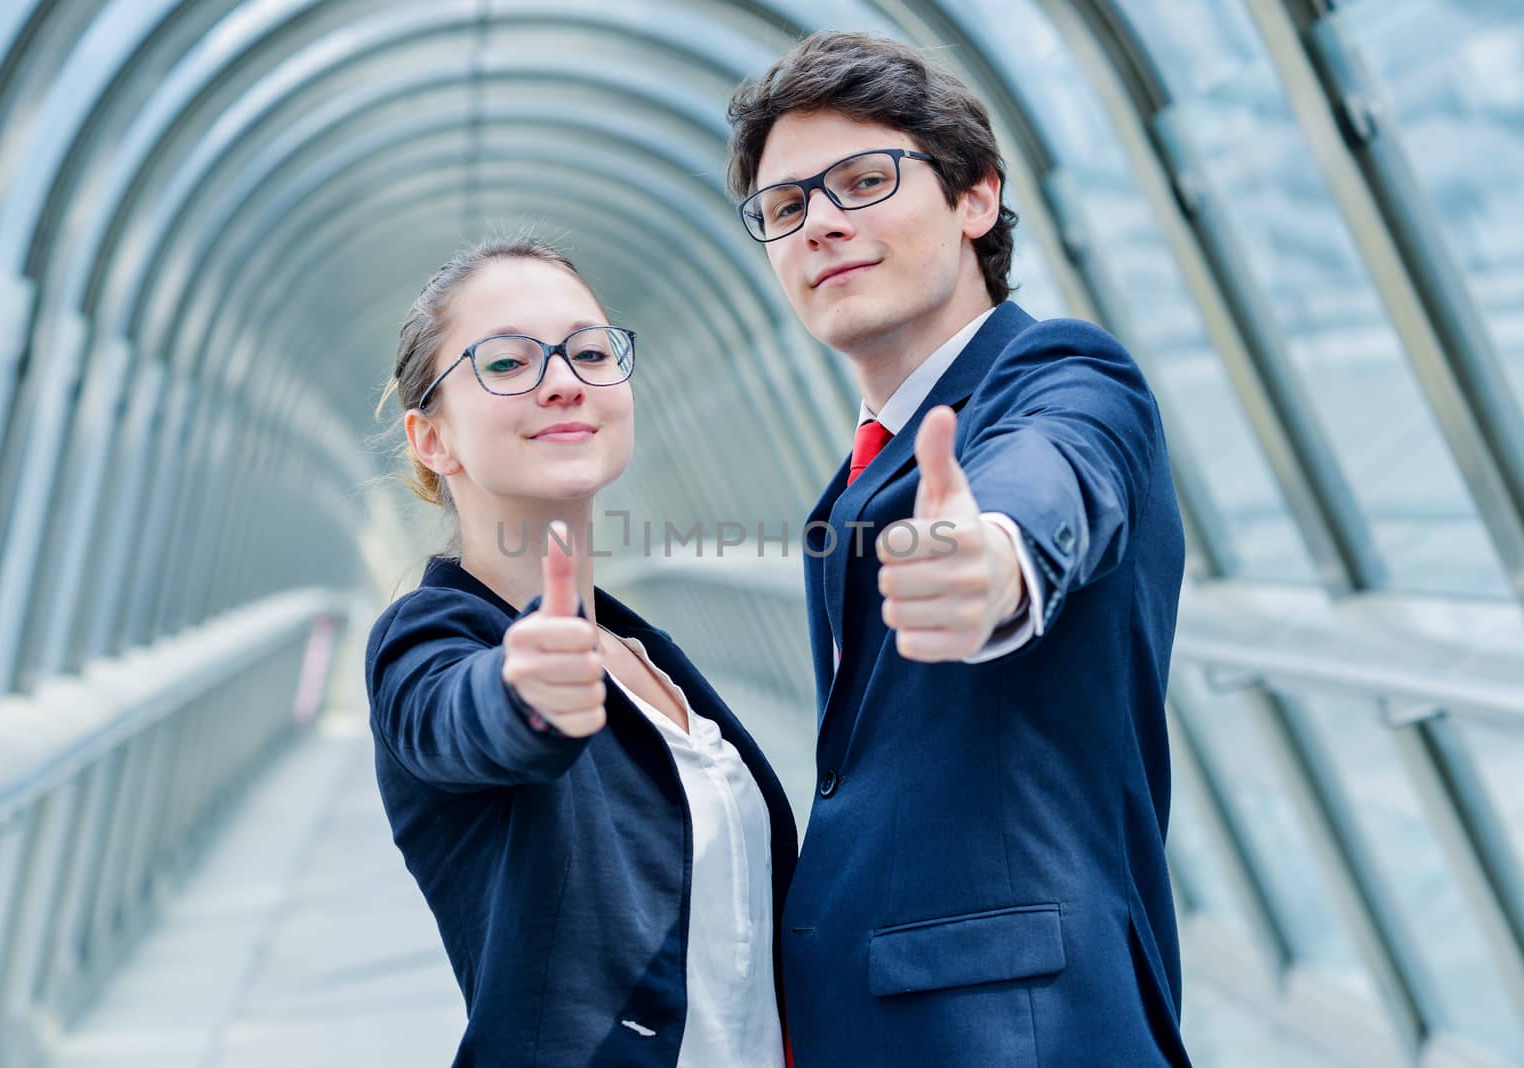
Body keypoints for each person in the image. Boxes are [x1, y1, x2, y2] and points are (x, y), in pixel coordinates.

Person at [725, 31, 1191, 1067]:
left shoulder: (1064, 374)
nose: (821, 225)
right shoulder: (855, 475)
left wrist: (991, 562)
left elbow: (1051, 476)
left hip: (1019, 1032)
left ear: (974, 197)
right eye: (786, 207)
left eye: (863, 180)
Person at [364, 235, 798, 1067]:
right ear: (431, 440)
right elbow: (456, 713)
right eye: (506, 363)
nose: (564, 381)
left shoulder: (645, 655)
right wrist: (521, 693)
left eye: (589, 351)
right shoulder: (429, 639)